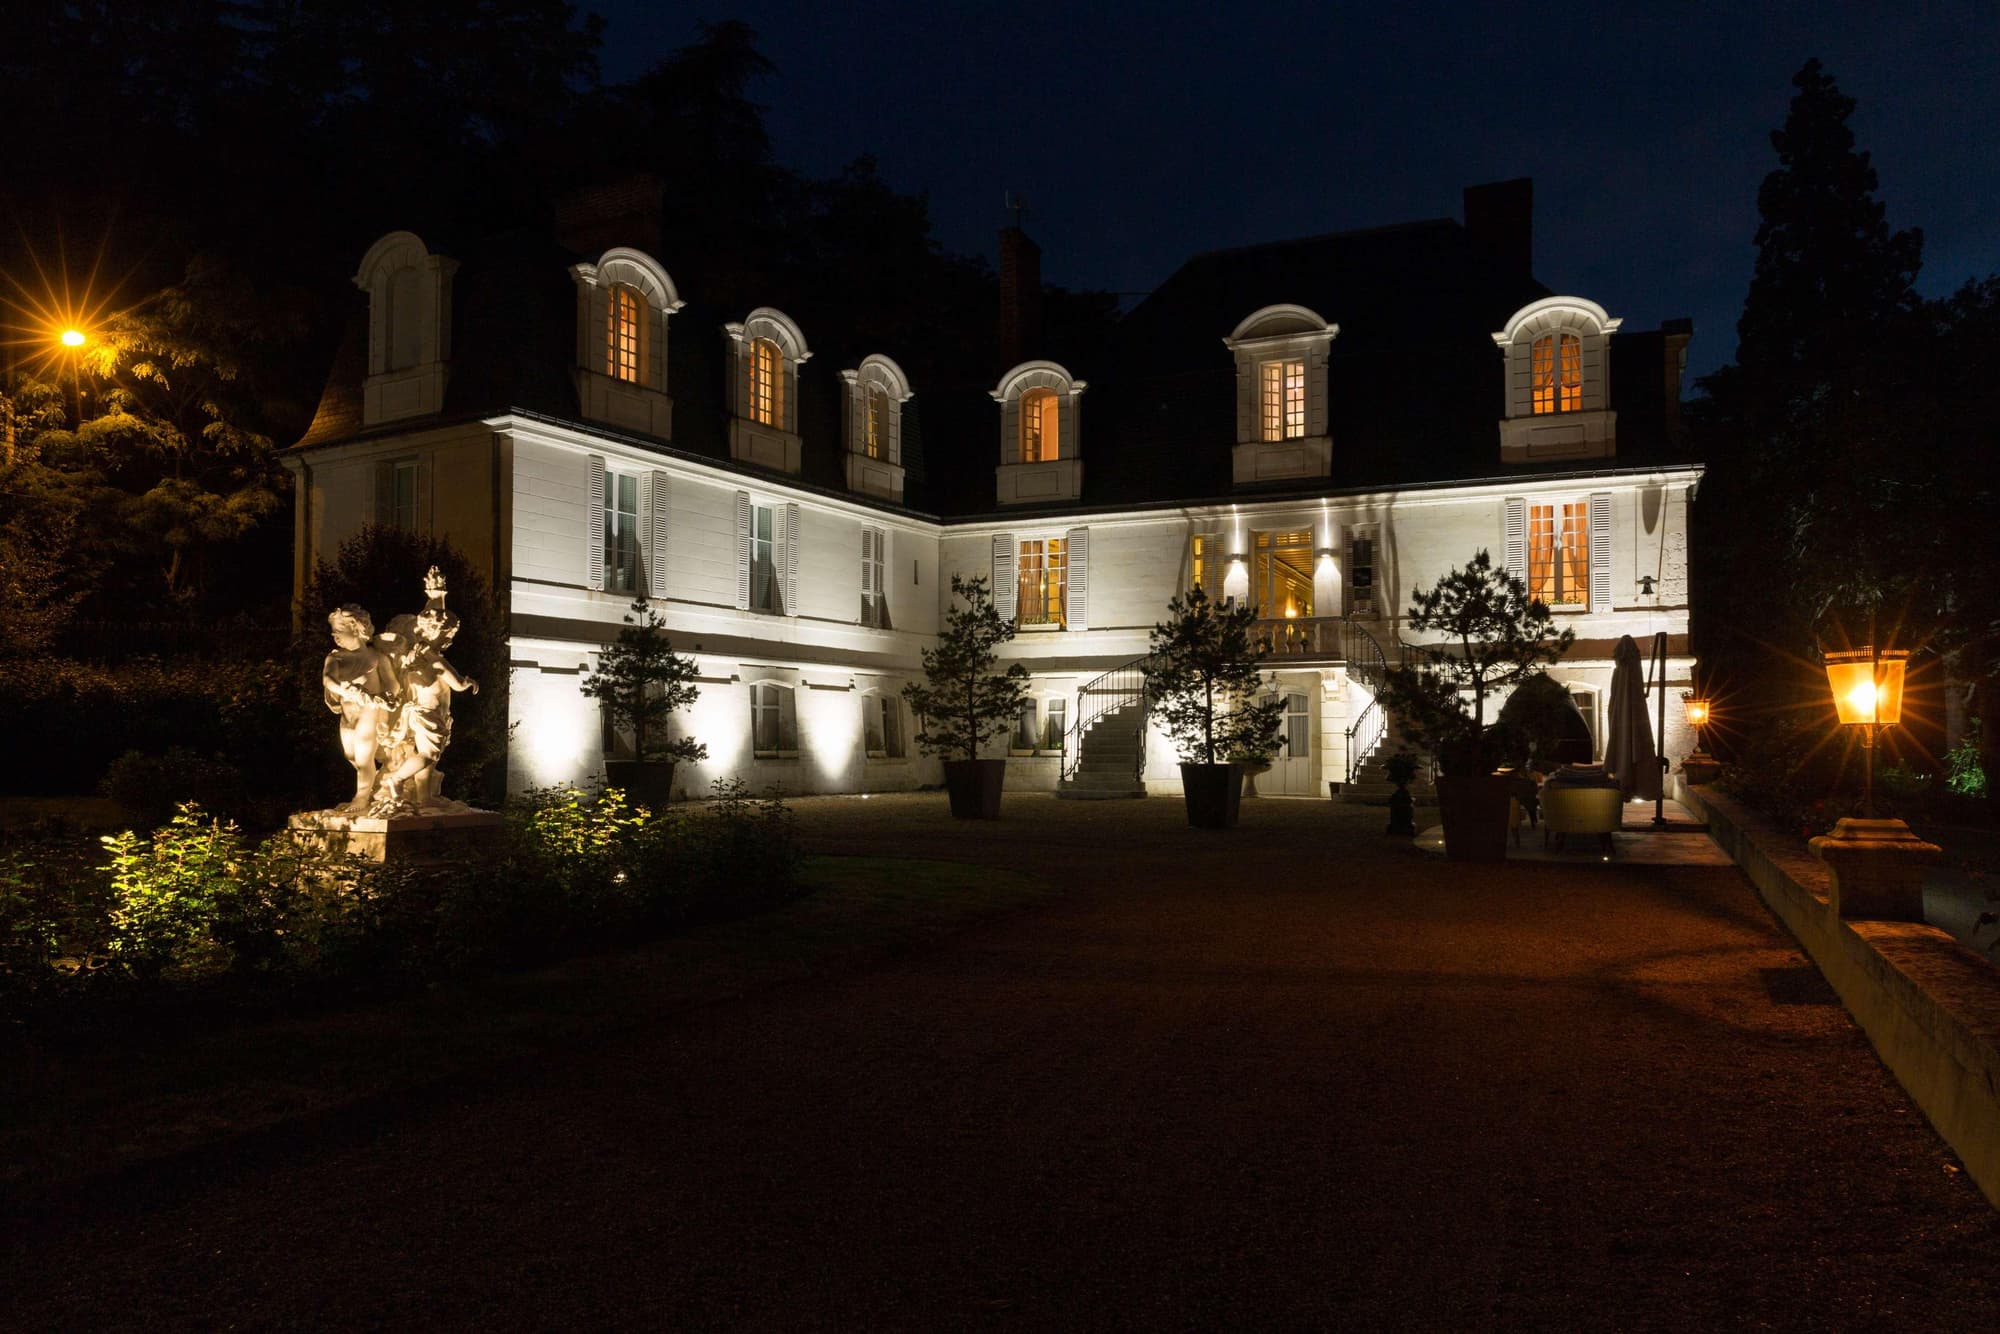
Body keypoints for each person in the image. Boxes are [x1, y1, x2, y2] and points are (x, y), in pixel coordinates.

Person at [371, 605, 477, 814]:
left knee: (429, 757)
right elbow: (455, 682)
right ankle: (397, 779)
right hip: (429, 715)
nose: (450, 640)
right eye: (448, 635)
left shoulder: (418, 657)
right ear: (439, 635)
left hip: (427, 713)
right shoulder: (435, 659)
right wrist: (469, 683)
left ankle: (425, 797)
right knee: (428, 755)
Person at [321, 604, 402, 816]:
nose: (335, 636)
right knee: (351, 755)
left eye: (339, 631)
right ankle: (371, 787)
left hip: (370, 710)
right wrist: (344, 691)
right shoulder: (336, 658)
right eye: (333, 632)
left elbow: (393, 684)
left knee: (364, 756)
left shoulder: (376, 658)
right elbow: (328, 680)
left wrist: (387, 698)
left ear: (356, 628)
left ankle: (362, 796)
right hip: (348, 714)